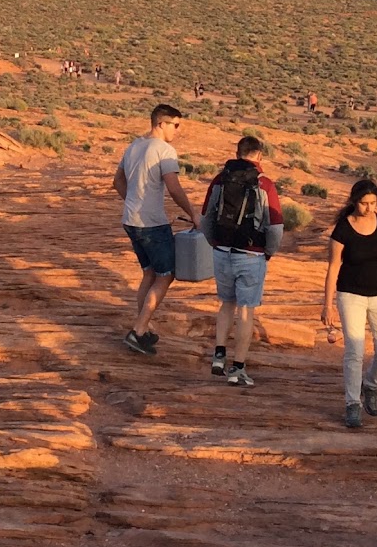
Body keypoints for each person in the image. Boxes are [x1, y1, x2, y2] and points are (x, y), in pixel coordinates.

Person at [199, 136, 284, 388]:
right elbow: (276, 227)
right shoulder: (264, 183)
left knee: (226, 303)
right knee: (246, 310)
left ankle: (218, 356)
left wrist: (215, 243)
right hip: (251, 254)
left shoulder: (220, 179)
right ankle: (237, 369)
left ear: (237, 153)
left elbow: (206, 218)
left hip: (221, 251)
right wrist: (268, 251)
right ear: (259, 156)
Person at [114, 104, 199, 355]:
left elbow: (117, 181)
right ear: (160, 123)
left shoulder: (134, 146)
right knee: (166, 275)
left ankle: (143, 327)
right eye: (175, 124)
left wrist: (132, 201)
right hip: (152, 223)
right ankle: (139, 331)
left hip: (131, 220)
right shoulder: (164, 150)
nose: (177, 130)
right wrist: (194, 214)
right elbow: (173, 188)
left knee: (149, 273)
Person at [322, 179, 377, 429]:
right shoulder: (343, 229)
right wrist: (328, 305)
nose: (369, 208)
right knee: (354, 351)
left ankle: (370, 385)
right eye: (364, 203)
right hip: (350, 295)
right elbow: (333, 266)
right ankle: (352, 404)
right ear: (354, 201)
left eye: (373, 203)